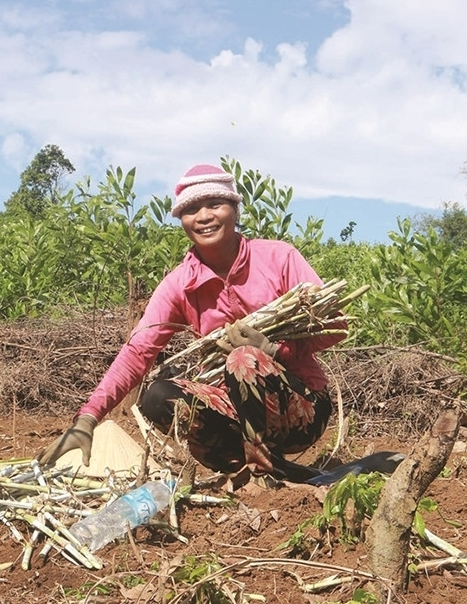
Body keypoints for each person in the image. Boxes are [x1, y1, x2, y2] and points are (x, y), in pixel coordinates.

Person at [37, 163, 344, 483]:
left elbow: (337, 326)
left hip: (302, 407)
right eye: (191, 209)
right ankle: (245, 468)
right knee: (158, 397)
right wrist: (87, 418)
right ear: (182, 220)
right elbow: (137, 352)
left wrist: (274, 350)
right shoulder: (180, 284)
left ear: (235, 210)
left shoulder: (279, 258)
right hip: (234, 414)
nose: (204, 216)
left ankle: (266, 470)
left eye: (215, 204)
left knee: (244, 359)